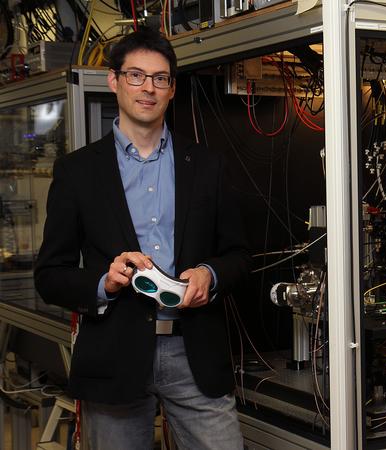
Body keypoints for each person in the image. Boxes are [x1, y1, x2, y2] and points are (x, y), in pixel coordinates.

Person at [34, 28, 250, 450]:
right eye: (135, 75)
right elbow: (50, 275)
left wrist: (210, 273)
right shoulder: (78, 173)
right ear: (114, 81)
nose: (148, 88)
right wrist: (104, 282)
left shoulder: (207, 166)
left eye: (160, 78)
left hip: (194, 353)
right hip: (114, 355)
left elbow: (239, 255)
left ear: (172, 89)